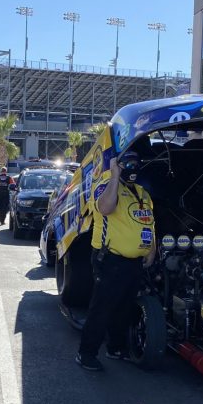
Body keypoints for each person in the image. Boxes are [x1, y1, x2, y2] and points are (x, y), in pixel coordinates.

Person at [76, 151, 157, 371]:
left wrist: (151, 249)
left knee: (124, 307)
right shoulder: (106, 185)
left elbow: (149, 223)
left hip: (134, 262)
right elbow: (105, 208)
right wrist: (114, 175)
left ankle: (116, 348)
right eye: (127, 163)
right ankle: (86, 353)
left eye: (135, 162)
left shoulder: (142, 192)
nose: (132, 166)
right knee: (102, 308)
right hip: (109, 258)